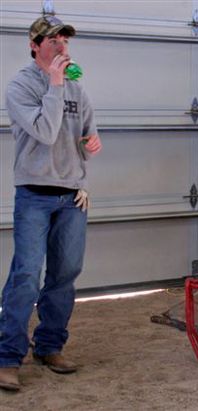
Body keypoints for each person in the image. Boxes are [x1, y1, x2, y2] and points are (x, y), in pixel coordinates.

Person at [0, 15, 102, 391]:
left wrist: (91, 144)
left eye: (65, 40)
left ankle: (49, 346)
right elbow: (44, 131)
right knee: (26, 276)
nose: (61, 45)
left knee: (65, 274)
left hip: (72, 197)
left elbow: (85, 136)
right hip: (34, 197)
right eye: (53, 40)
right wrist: (56, 84)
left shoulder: (78, 90)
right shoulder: (20, 86)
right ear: (34, 46)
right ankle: (8, 357)